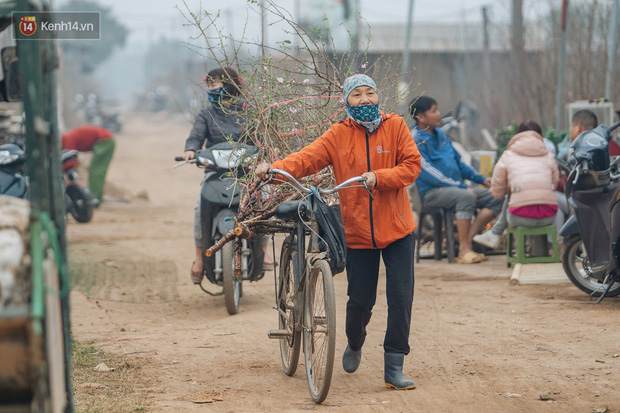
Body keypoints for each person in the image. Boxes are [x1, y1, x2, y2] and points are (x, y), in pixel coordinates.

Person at [255, 74, 421, 390]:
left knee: (401, 298)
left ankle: (394, 364)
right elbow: (306, 159)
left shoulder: (396, 126)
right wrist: (274, 171)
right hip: (357, 231)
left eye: (370, 92)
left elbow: (412, 166)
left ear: (378, 96)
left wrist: (380, 177)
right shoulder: (337, 135)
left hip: (398, 229)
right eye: (356, 94)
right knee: (360, 300)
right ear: (346, 101)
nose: (365, 100)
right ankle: (355, 341)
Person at [182, 67, 273, 284]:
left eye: (216, 85)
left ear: (230, 86)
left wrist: (263, 152)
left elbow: (260, 138)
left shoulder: (248, 111)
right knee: (198, 209)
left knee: (265, 200)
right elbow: (195, 137)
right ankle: (199, 258)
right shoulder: (206, 114)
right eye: (209, 86)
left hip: (246, 174)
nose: (212, 90)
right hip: (215, 175)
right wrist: (191, 149)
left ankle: (263, 249)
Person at [474, 111, 598, 249]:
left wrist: (513, 187)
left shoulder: (507, 156)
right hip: (550, 214)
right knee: (555, 210)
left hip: (519, 216)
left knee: (511, 196)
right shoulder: (550, 156)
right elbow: (554, 184)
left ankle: (495, 234)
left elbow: (497, 194)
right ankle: (556, 250)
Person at [410, 96, 503, 264]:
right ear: (421, 117)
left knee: (497, 196)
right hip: (432, 192)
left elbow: (460, 163)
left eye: (437, 110)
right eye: (433, 111)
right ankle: (464, 250)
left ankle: (465, 240)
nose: (439, 114)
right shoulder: (415, 140)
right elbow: (429, 173)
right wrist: (461, 187)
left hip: (456, 188)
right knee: (465, 196)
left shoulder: (442, 136)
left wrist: (482, 179)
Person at [61, 125, 115, 203]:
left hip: (105, 141)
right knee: (96, 169)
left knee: (96, 170)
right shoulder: (68, 137)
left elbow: (70, 162)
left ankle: (95, 198)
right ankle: (96, 196)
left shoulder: (67, 140)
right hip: (105, 139)